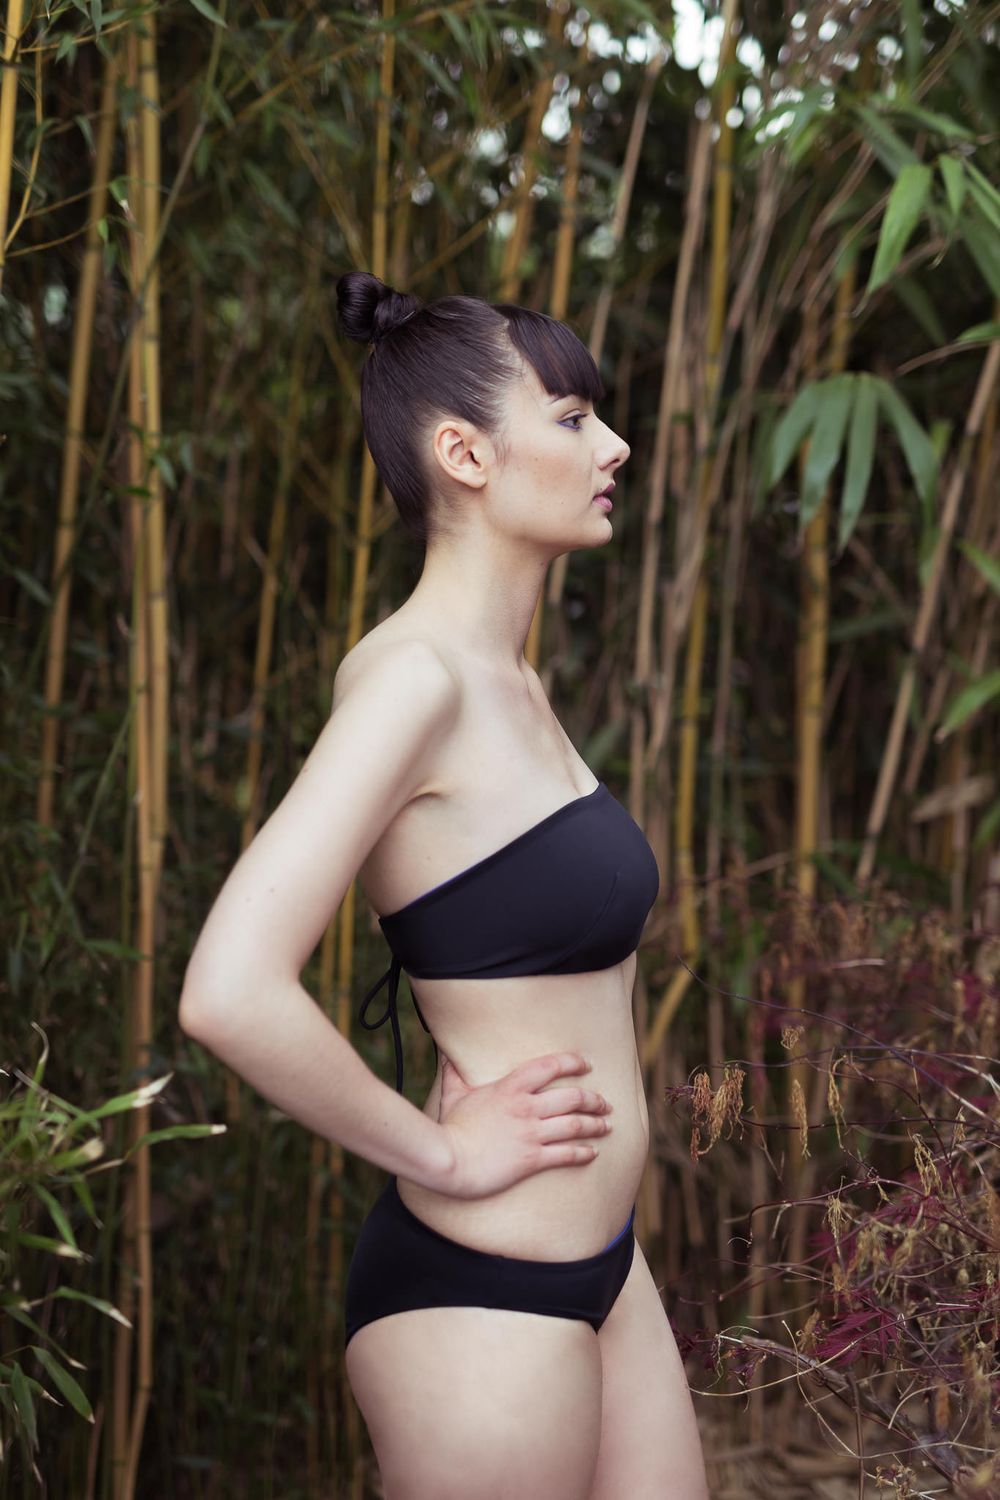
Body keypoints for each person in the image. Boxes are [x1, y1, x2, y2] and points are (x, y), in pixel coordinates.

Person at [178, 271, 710, 1500]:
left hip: (604, 1268)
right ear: (463, 454)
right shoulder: (412, 683)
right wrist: (440, 1155)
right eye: (572, 418)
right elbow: (229, 989)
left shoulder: (511, 682)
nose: (614, 446)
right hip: (480, 1293)